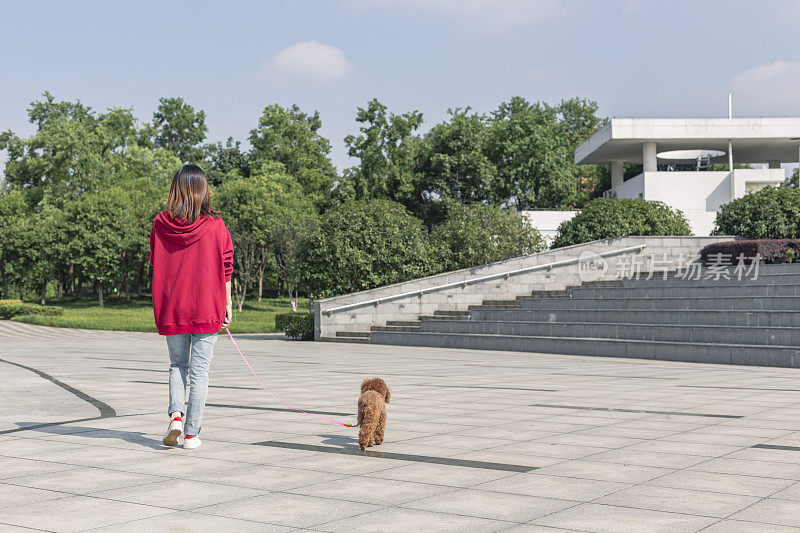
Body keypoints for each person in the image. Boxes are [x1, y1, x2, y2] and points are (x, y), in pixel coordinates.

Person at [150, 164, 233, 449]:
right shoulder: (217, 226)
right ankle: (190, 434)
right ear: (203, 190)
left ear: (175, 190)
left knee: (177, 364)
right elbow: (226, 267)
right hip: (207, 306)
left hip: (173, 306)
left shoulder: (161, 225)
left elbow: (156, 262)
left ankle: (175, 415)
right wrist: (228, 304)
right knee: (199, 372)